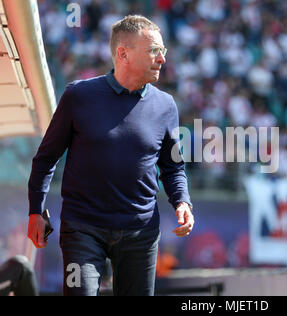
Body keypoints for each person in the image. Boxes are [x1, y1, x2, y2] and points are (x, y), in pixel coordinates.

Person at [27, 15, 194, 296]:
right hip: (82, 230)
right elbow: (46, 158)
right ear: (123, 53)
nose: (162, 59)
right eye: (154, 50)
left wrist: (182, 201)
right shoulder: (78, 96)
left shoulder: (166, 106)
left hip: (141, 233)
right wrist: (35, 210)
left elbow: (173, 167)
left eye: (163, 51)